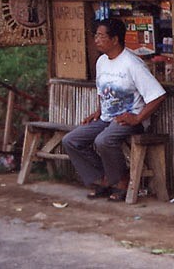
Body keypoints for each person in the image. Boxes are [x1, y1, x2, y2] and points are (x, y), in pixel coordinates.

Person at [62, 18, 166, 201]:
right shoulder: (102, 61)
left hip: (130, 119)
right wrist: (97, 111)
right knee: (71, 140)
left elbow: (158, 95)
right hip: (106, 117)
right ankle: (101, 179)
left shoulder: (132, 64)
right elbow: (103, 91)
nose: (96, 40)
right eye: (96, 36)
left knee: (104, 140)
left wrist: (138, 118)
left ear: (115, 39)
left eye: (101, 36)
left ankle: (121, 180)